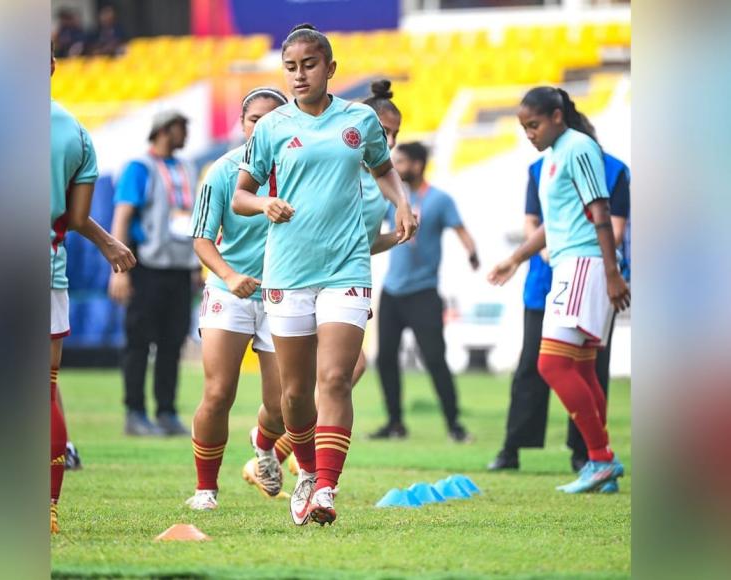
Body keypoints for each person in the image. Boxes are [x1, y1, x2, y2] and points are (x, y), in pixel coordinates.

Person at [233, 24, 417, 526]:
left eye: (309, 65)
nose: (299, 75)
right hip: (288, 271)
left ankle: (327, 488)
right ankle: (307, 473)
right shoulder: (271, 127)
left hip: (346, 269)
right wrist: (264, 202)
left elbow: (383, 169)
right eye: (290, 67)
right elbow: (240, 194)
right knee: (295, 393)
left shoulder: (359, 119)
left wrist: (402, 204)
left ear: (330, 68)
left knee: (336, 377)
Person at [488, 86, 630, 494]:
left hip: (584, 265)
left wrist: (611, 271)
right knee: (582, 368)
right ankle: (601, 463)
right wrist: (515, 259)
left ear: (556, 116)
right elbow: (556, 223)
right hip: (573, 263)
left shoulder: (579, 148)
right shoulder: (552, 158)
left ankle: (600, 458)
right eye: (523, 128)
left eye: (533, 125)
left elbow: (599, 209)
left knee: (550, 364)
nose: (528, 133)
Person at [184, 87, 291, 511]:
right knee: (218, 392)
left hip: (284, 295)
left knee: (285, 405)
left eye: (273, 120)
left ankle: (263, 445)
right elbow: (202, 240)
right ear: (242, 125)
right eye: (254, 120)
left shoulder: (301, 170)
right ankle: (205, 491)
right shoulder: (223, 172)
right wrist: (229, 275)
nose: (263, 127)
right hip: (230, 294)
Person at [50, 45, 136, 533]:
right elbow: (77, 217)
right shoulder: (76, 133)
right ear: (52, 67)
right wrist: (107, 244)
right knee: (44, 393)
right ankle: (47, 511)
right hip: (47, 270)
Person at [369, 141, 480, 443]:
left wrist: (472, 253)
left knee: (434, 359)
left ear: (417, 165)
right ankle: (394, 423)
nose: (395, 166)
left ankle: (454, 425)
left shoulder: (440, 200)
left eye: (401, 161)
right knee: (385, 359)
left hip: (423, 293)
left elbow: (461, 231)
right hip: (392, 291)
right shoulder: (393, 195)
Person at [109, 110, 200, 436]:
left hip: (180, 267)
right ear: (164, 130)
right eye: (181, 127)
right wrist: (118, 269)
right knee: (139, 341)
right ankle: (135, 412)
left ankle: (166, 411)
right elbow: (123, 214)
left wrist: (195, 265)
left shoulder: (188, 167)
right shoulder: (140, 168)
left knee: (172, 342)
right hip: (146, 266)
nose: (186, 133)